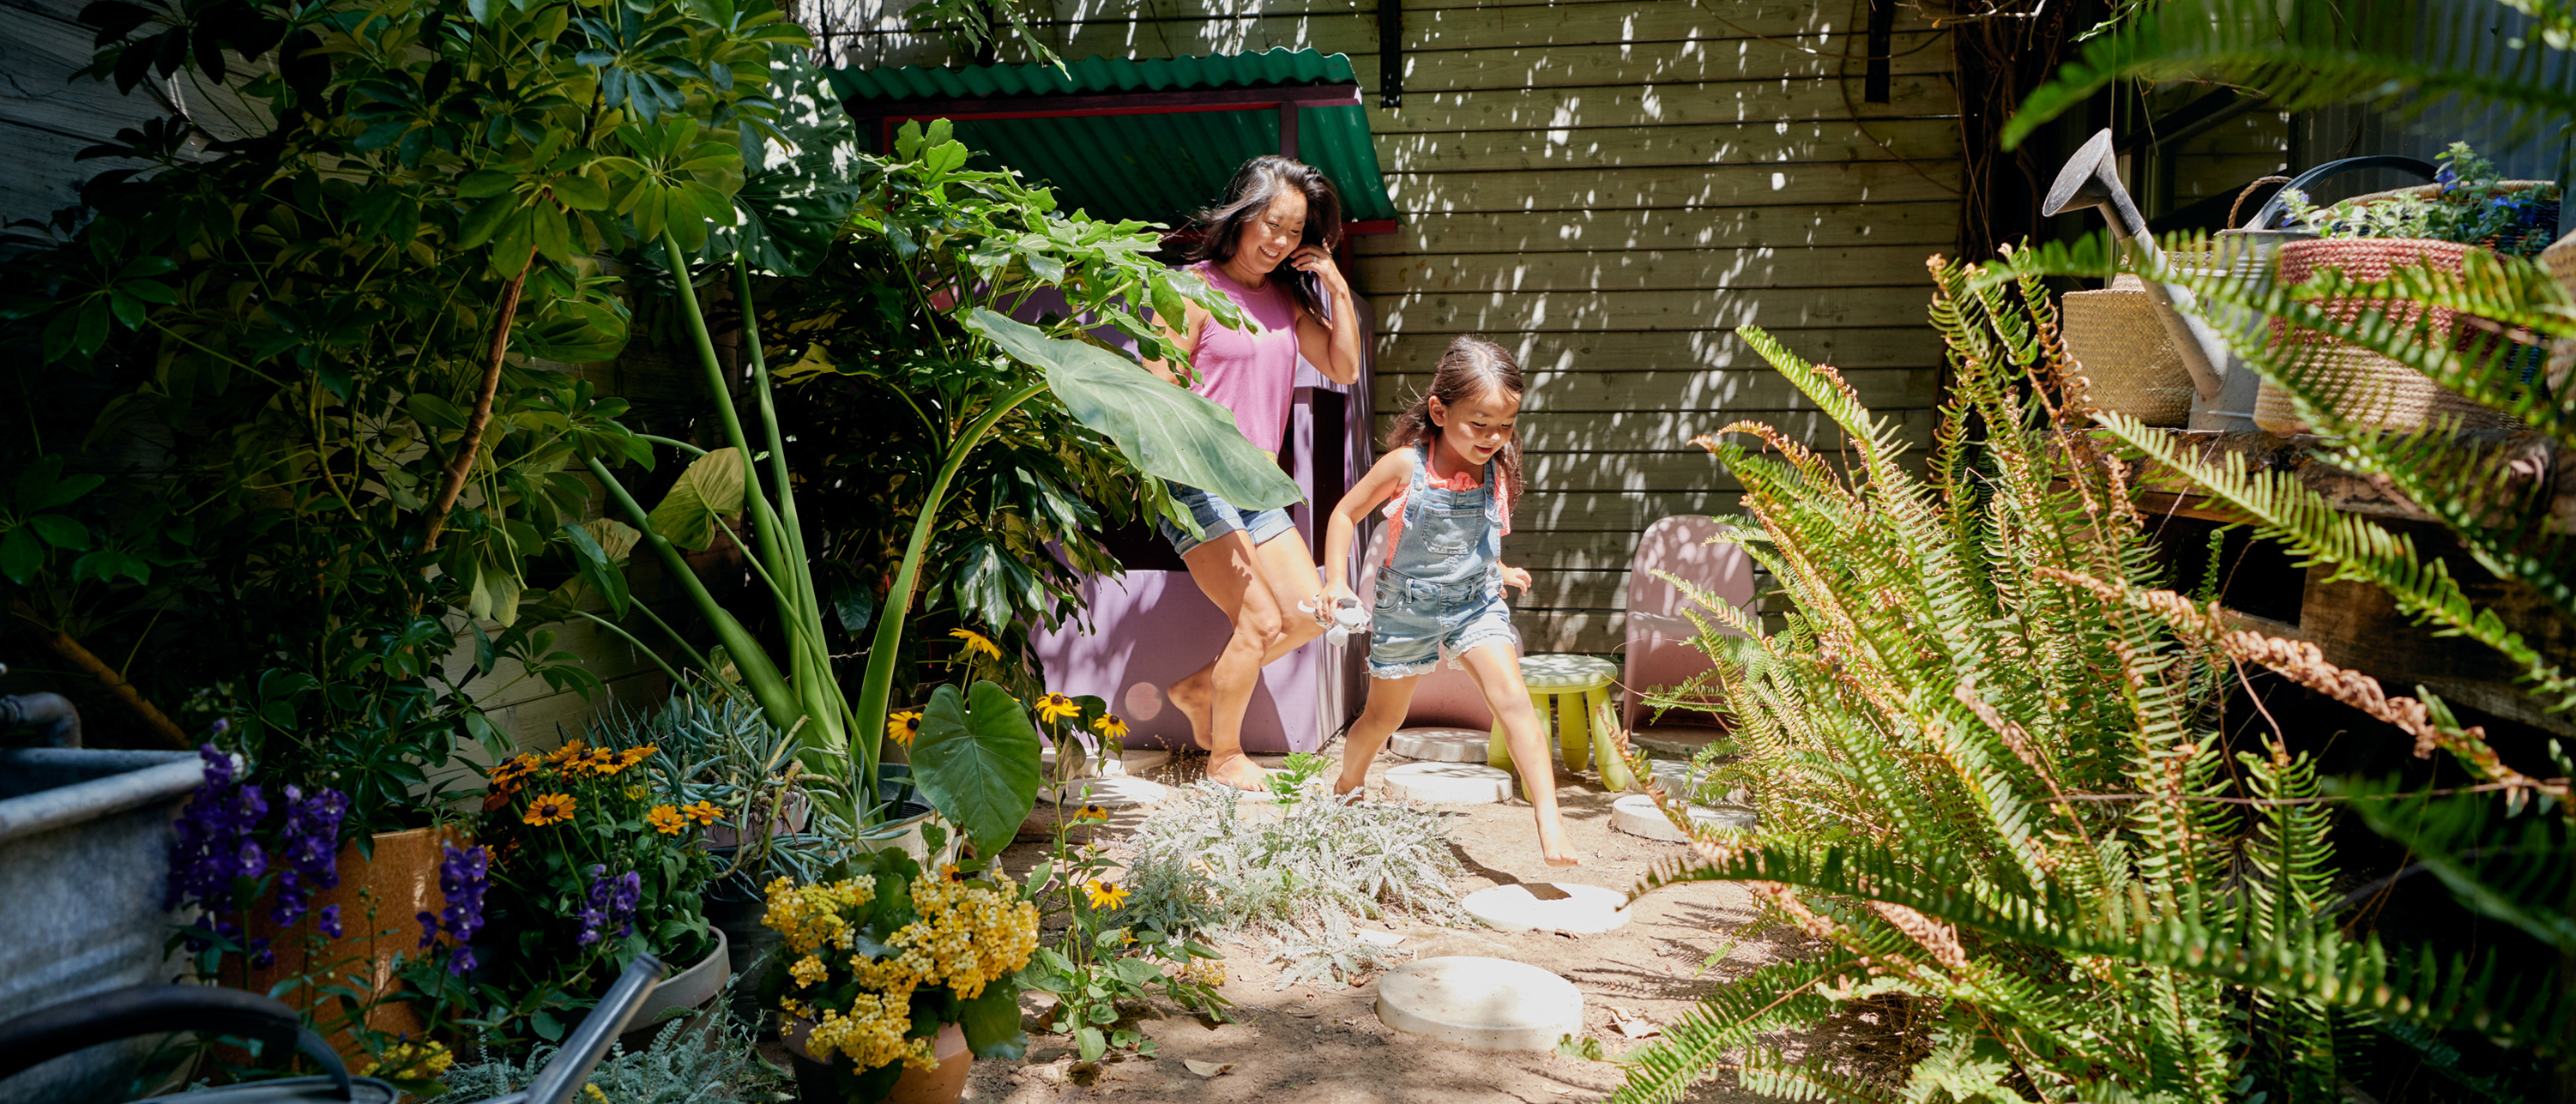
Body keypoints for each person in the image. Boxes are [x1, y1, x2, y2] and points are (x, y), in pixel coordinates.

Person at [1141, 155, 1366, 791]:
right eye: (1271, 224)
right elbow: (1157, 393)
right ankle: (1224, 757)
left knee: (1304, 615)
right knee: (1262, 621)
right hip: (1194, 480)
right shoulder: (1188, 289)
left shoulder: (1285, 299)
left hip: (1258, 487)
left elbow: (1343, 367)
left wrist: (1334, 284)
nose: (1279, 242)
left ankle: (1197, 689)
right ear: (1241, 215)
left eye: (1294, 232)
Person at [1318, 336, 1578, 866]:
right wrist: (1335, 583)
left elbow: (1478, 537)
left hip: (1476, 603)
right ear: (1439, 410)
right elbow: (1344, 513)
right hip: (1405, 608)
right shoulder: (1405, 466)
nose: (1493, 438)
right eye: (1479, 424)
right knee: (1383, 719)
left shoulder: (1497, 468)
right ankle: (1348, 782)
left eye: (1504, 425)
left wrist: (1498, 568)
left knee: (1513, 701)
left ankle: (1550, 817)